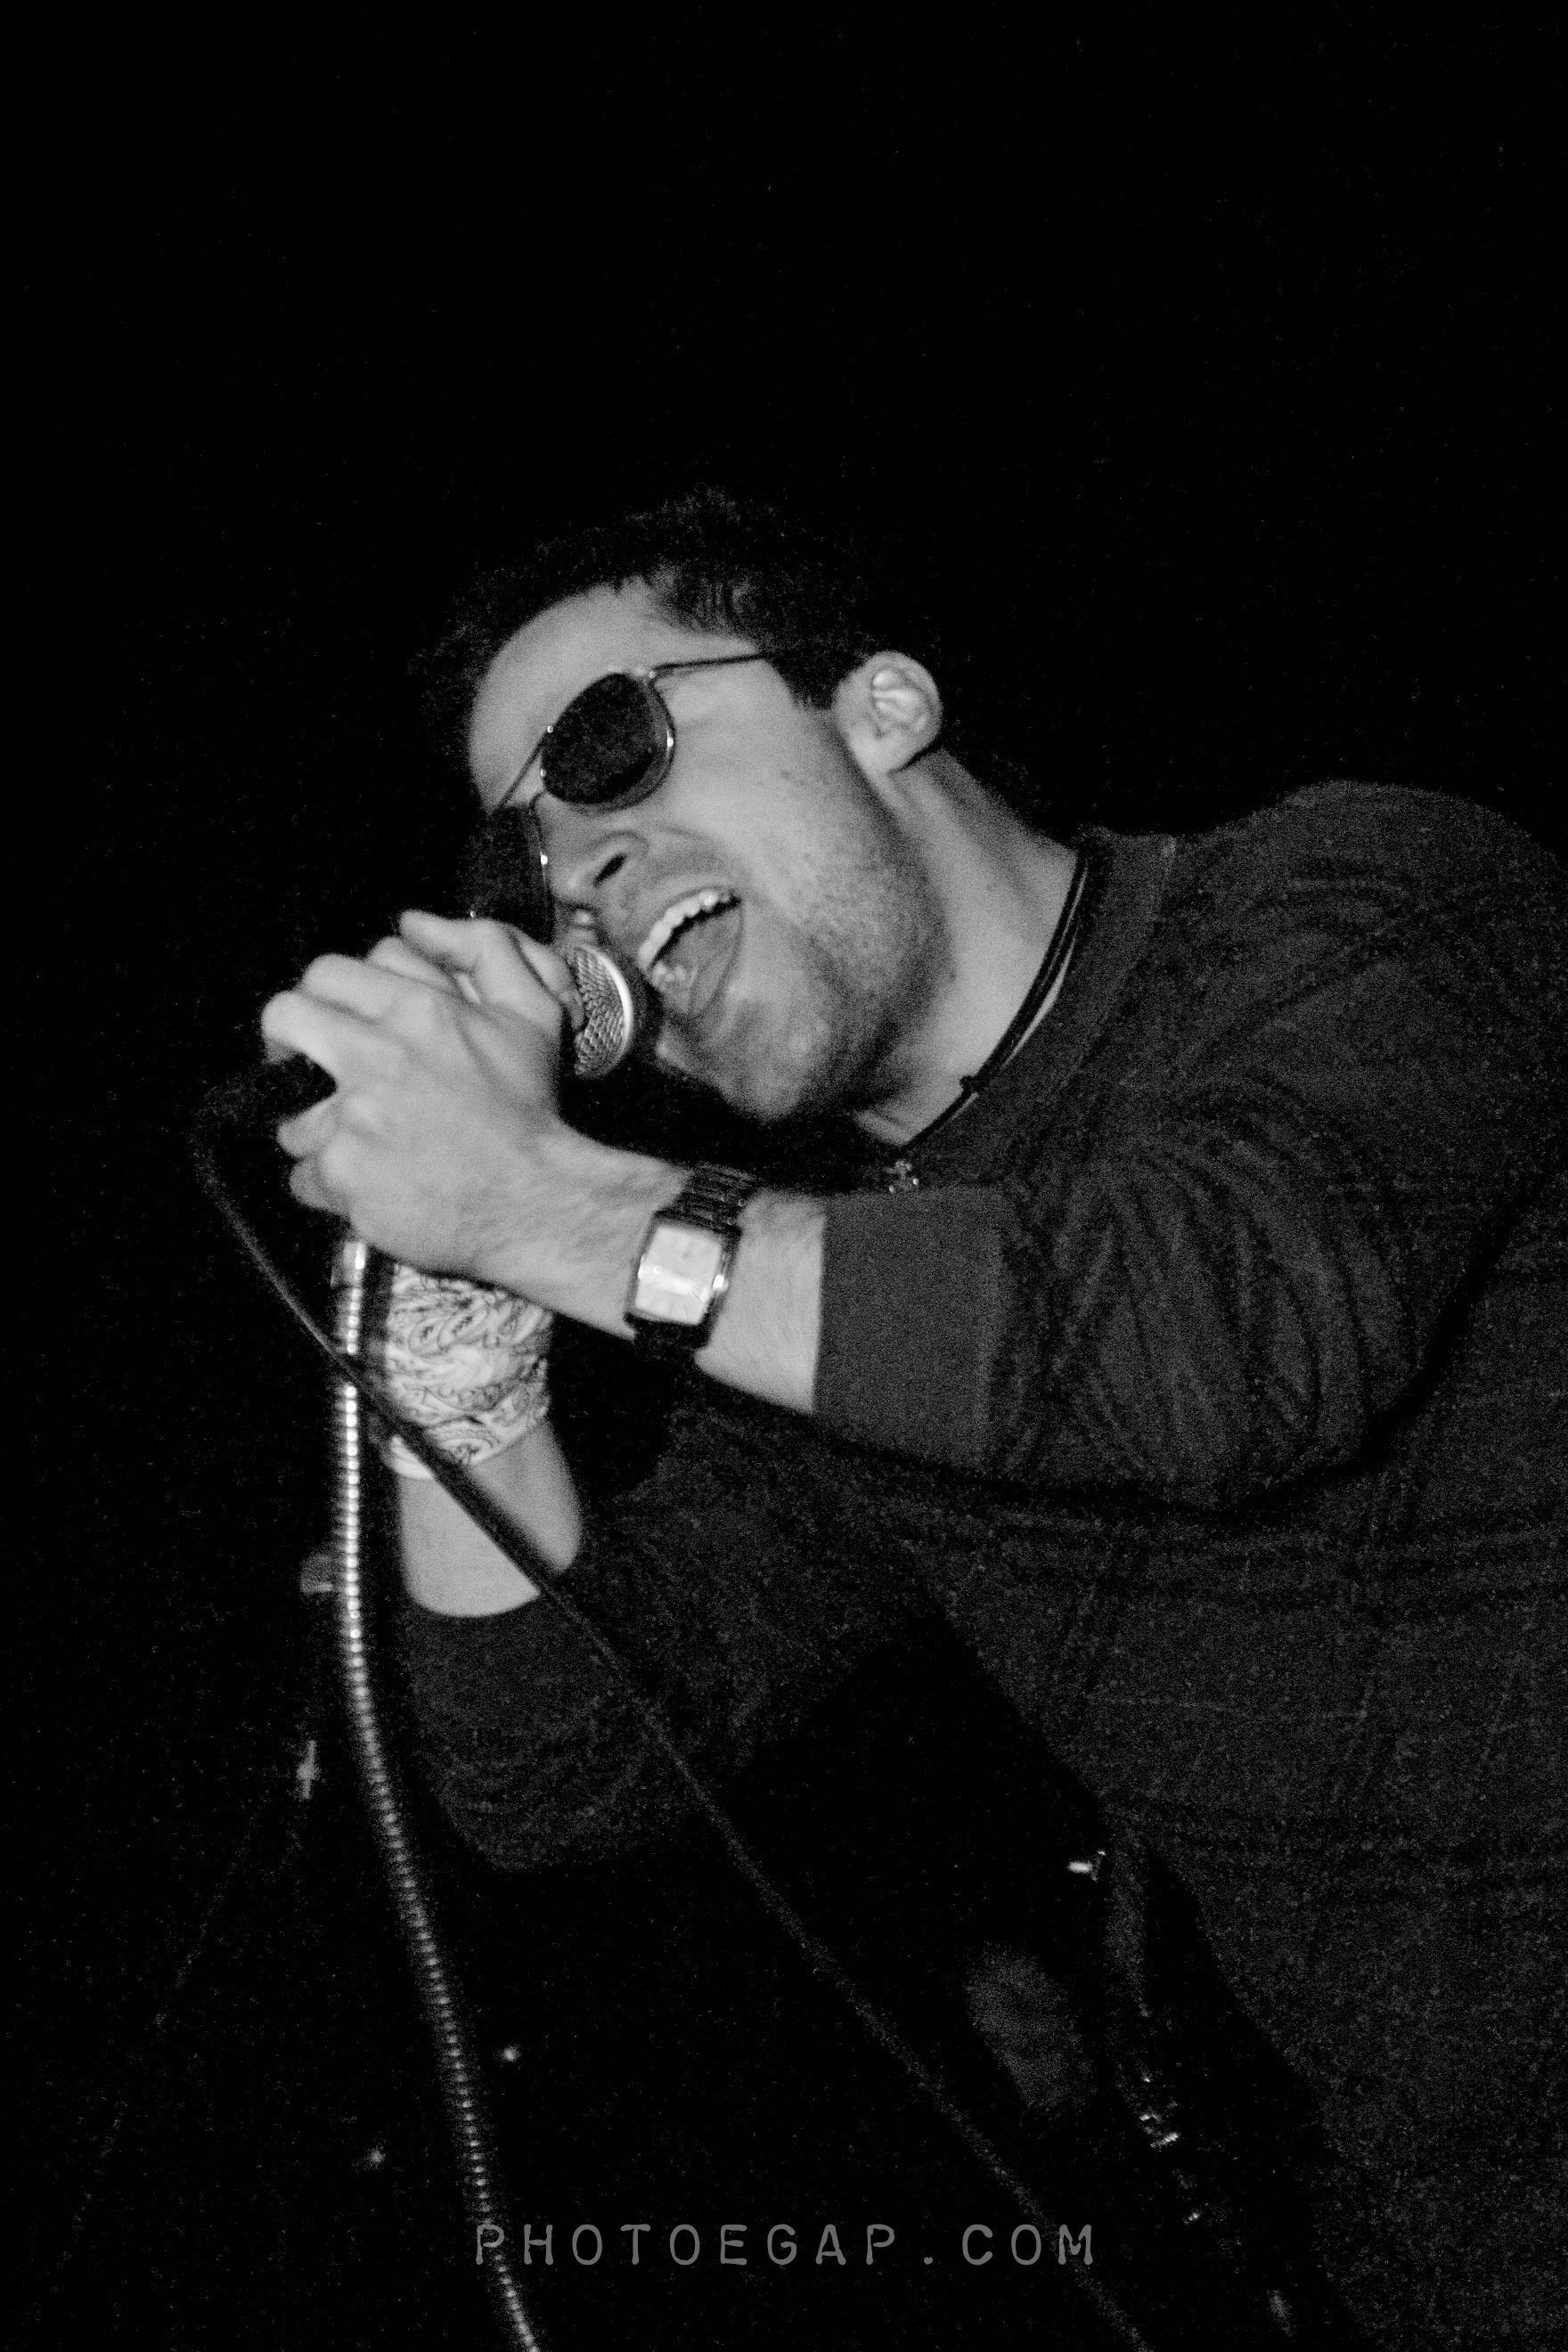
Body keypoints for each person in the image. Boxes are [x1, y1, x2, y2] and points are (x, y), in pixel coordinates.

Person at [263, 489, 1565, 2348]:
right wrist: (461, 1353)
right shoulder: (830, 1294)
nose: (576, 872)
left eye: (610, 748)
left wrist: (557, 1209)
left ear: (882, 705)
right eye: (516, 858)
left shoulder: (1359, 893)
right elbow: (566, 1762)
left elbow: (1230, 1333)